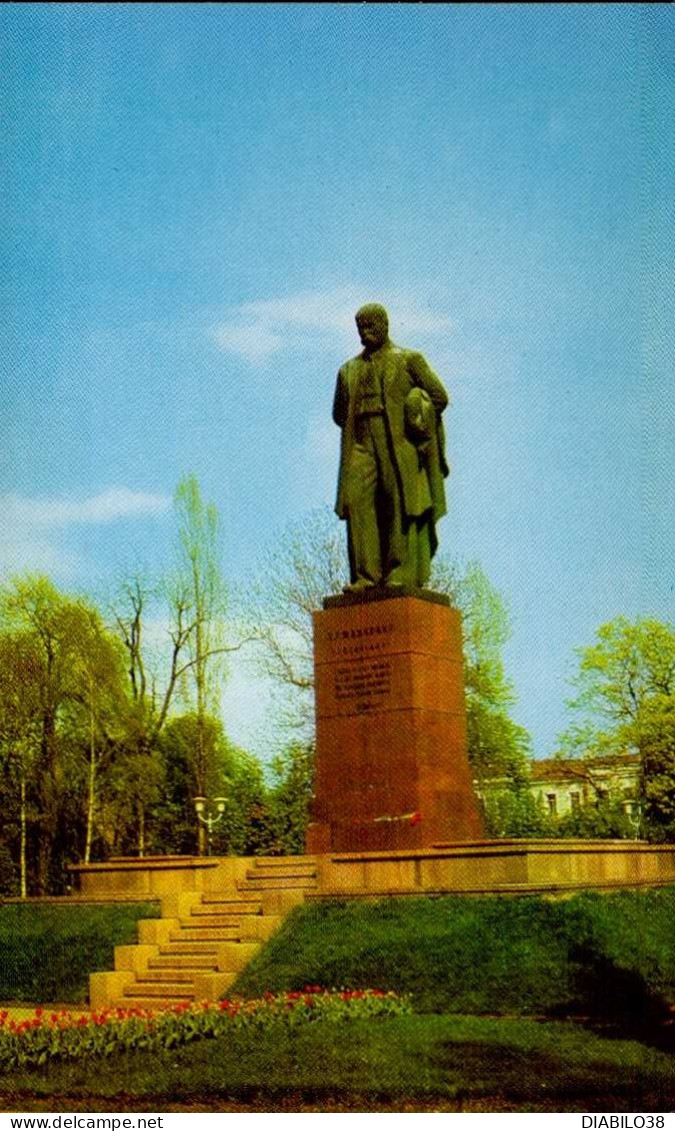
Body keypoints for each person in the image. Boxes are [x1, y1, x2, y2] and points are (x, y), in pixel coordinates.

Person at [333, 303, 449, 592]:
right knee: (358, 500)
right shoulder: (348, 370)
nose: (364, 333)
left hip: (397, 442)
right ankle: (365, 576)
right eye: (360, 328)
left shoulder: (409, 360)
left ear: (385, 325)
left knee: (398, 503)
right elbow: (338, 413)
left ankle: (401, 570)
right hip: (360, 440)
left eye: (370, 326)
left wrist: (415, 413)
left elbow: (439, 396)